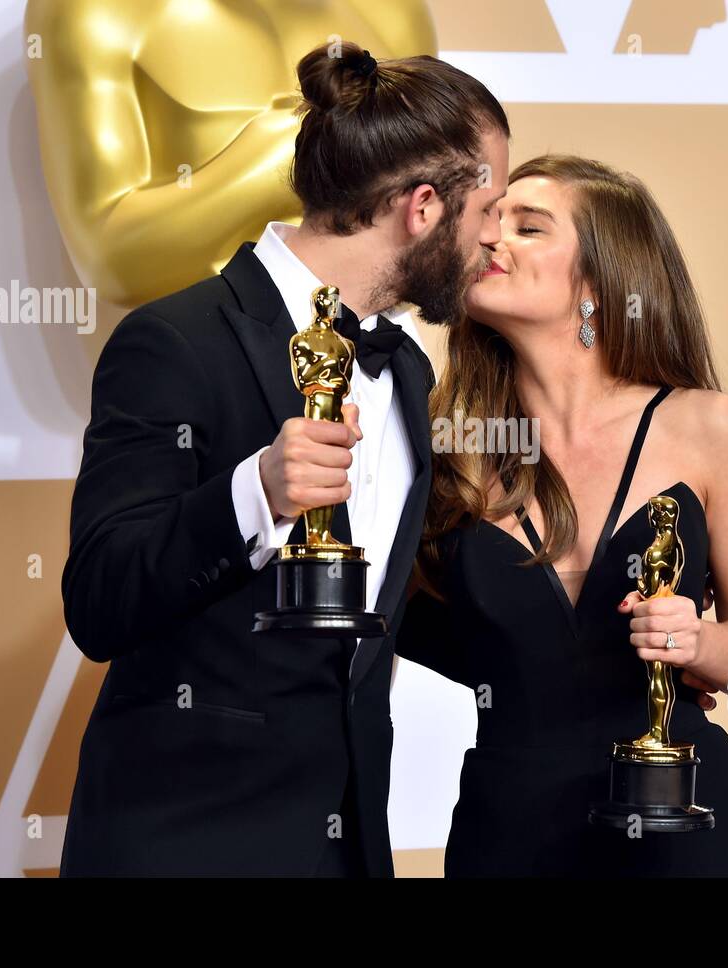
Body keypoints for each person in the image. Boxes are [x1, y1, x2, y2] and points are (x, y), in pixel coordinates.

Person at [58, 42, 509, 876]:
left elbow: (380, 621)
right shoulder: (174, 341)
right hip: (185, 845)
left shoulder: (406, 368)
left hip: (347, 850)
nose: (493, 243)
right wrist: (253, 494)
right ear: (421, 209)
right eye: (488, 212)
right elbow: (98, 599)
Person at [396, 155, 728, 876]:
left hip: (686, 826)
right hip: (509, 835)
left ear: (602, 282)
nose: (491, 239)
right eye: (491, 221)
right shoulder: (438, 447)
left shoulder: (709, 428)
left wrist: (697, 644)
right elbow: (389, 616)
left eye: (529, 226)